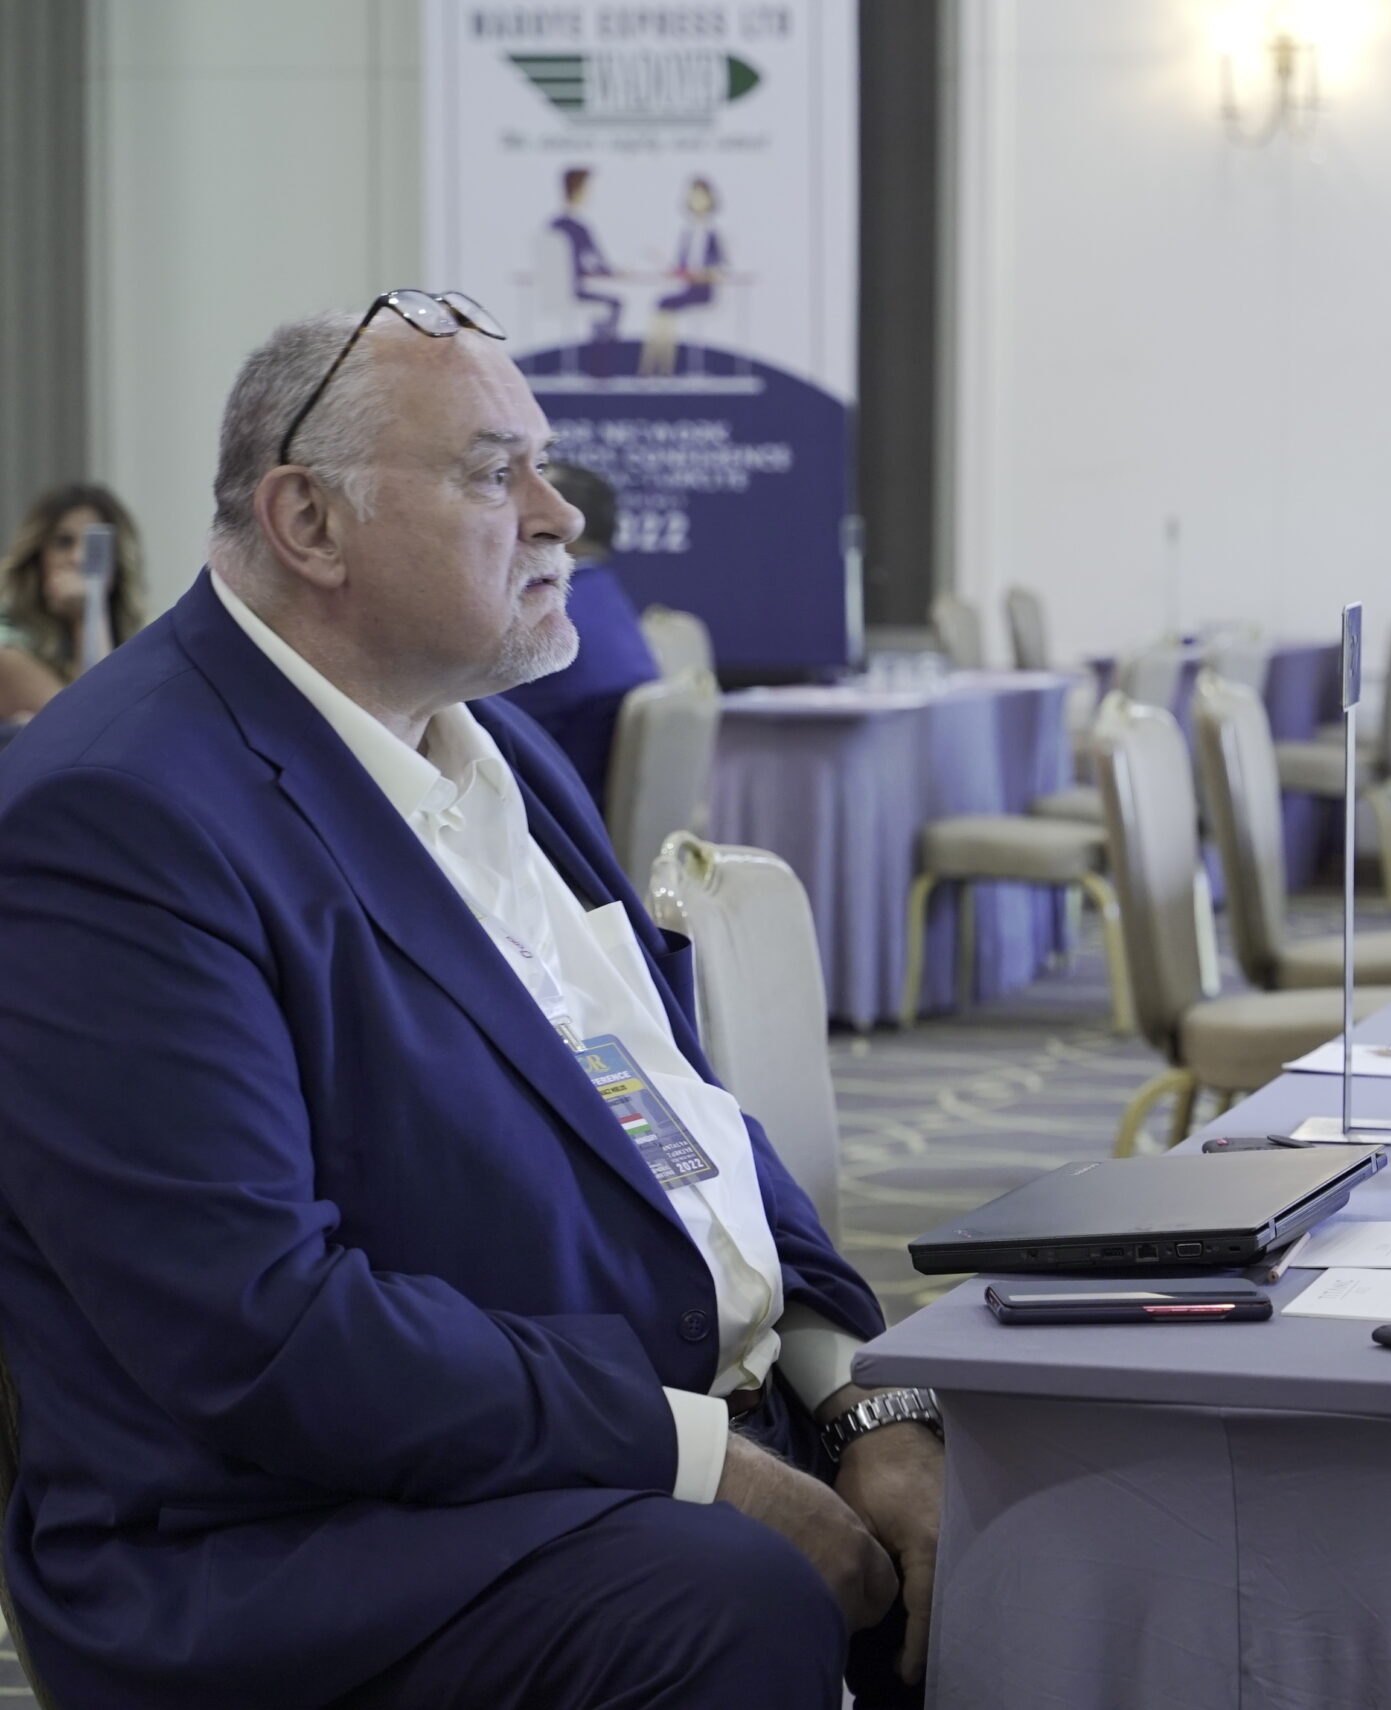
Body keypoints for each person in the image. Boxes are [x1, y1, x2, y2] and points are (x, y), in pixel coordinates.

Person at [0, 295, 941, 1710]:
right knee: (728, 1596)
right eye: (499, 474)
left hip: (621, 1425)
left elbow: (683, 1115)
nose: (563, 516)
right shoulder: (116, 817)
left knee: (1043, 1492)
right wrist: (694, 1458)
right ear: (310, 522)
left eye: (544, 466)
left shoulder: (490, 745)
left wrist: (852, 1388)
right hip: (293, 1535)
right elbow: (259, 1331)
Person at [499, 461, 664, 811]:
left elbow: (472, 726)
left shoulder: (544, 614)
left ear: (554, 528)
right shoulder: (600, 595)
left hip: (537, 815)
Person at [0, 482, 148, 719]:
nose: (78, 558)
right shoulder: (7, 646)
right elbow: (90, 722)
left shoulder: (142, 647)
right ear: (38, 556)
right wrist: (86, 613)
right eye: (63, 542)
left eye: (94, 546)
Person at [642, 177, 726, 377]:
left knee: (666, 307)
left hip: (704, 291)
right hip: (688, 288)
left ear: (710, 200)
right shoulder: (687, 233)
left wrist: (705, 273)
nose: (697, 201)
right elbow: (682, 265)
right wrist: (671, 269)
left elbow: (720, 266)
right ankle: (655, 366)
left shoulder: (712, 233)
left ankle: (660, 368)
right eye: (693, 197)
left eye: (701, 197)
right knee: (661, 307)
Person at [550, 166, 620, 346]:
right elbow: (598, 262)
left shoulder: (553, 225)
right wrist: (614, 272)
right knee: (615, 304)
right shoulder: (578, 228)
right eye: (588, 189)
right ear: (578, 191)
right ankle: (601, 352)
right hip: (573, 292)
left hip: (557, 293)